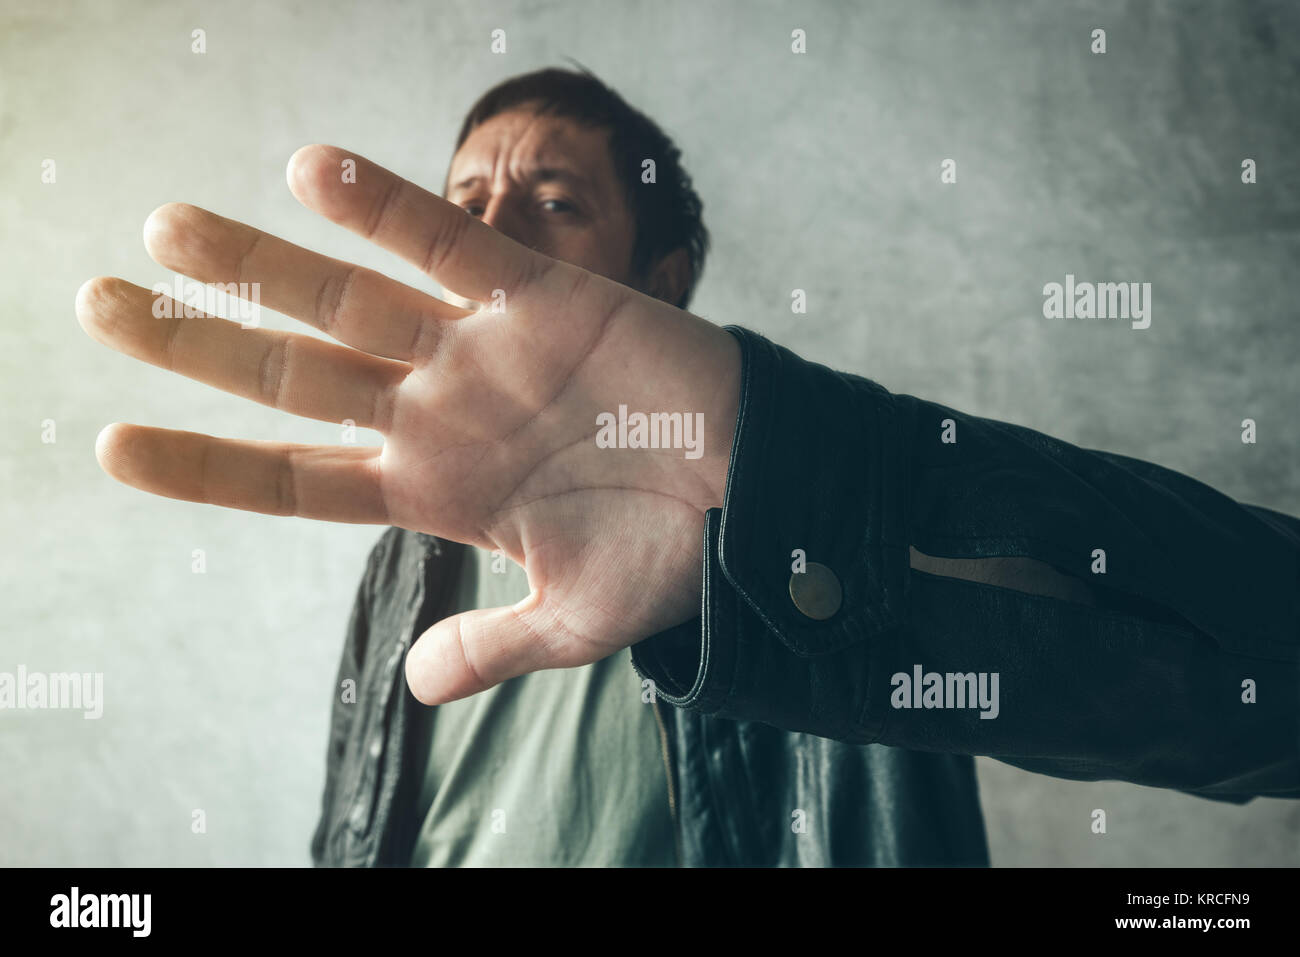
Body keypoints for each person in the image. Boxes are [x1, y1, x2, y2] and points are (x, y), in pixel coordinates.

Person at [75, 67, 1300, 868]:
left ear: (663, 282)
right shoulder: (406, 552)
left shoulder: (794, 527)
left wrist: (796, 496)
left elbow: (1184, 675)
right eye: (467, 196)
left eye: (553, 202)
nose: (491, 227)